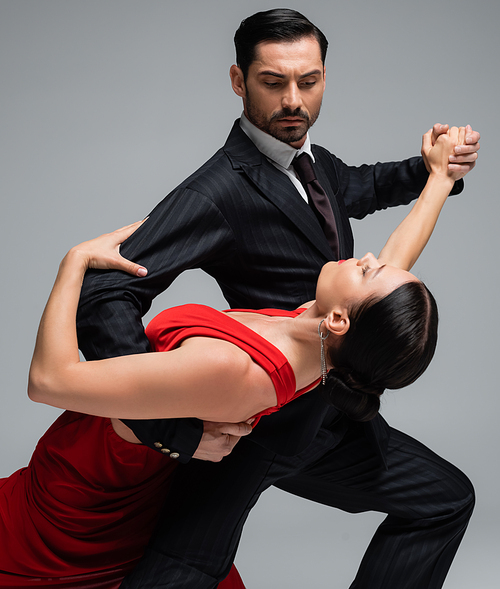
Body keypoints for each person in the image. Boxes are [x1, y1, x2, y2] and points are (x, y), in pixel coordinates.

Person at [74, 9, 479, 589]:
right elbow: (106, 290)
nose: (294, 100)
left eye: (309, 81)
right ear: (239, 81)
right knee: (183, 571)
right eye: (273, 83)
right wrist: (170, 422)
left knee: (444, 500)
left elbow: (366, 185)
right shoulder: (217, 190)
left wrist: (439, 168)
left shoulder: (314, 165)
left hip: (332, 420)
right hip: (251, 427)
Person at [0, 125, 463, 587]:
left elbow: (47, 382)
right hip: (104, 441)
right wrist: (439, 180)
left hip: (99, 470)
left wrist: (73, 262)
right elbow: (394, 267)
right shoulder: (317, 333)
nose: (367, 255)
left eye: (368, 271)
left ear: (341, 321)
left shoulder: (237, 369)